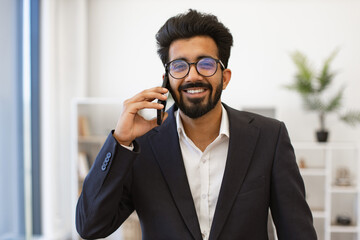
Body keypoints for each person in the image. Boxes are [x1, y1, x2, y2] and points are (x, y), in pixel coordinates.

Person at [76, 9, 317, 240]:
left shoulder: (269, 137)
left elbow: (297, 233)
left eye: (206, 64)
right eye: (179, 66)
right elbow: (90, 226)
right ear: (167, 80)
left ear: (224, 77)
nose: (192, 76)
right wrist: (120, 141)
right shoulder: (141, 146)